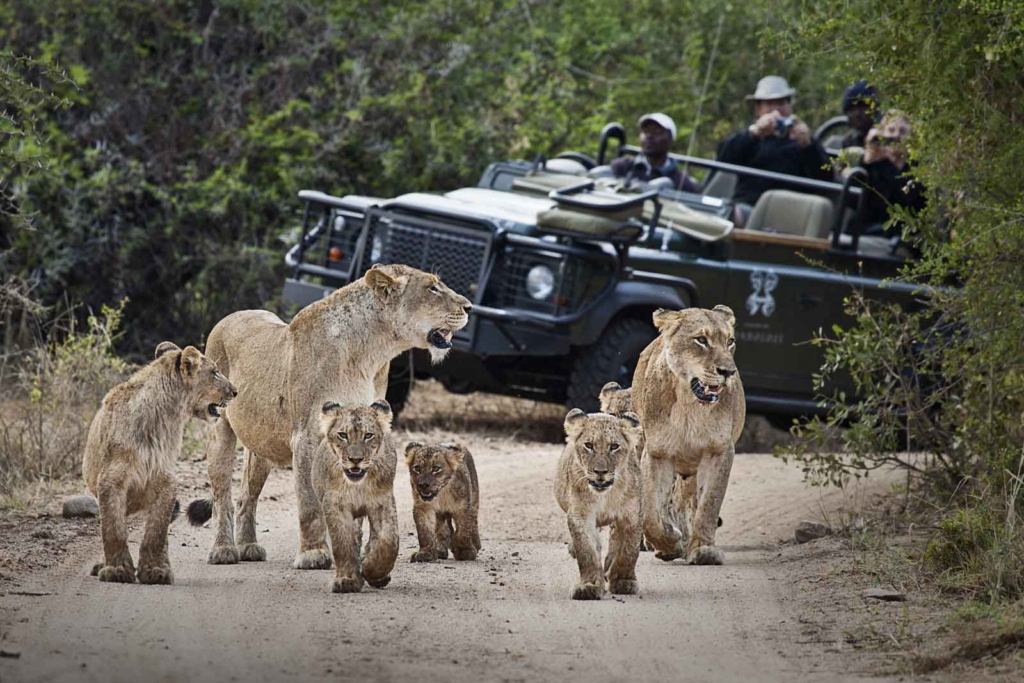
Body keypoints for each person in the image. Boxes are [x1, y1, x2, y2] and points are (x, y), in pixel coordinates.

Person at [716, 76, 831, 227]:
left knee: (731, 216)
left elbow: (826, 178)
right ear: (759, 109)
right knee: (723, 213)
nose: (776, 110)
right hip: (748, 206)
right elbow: (722, 158)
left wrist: (808, 146)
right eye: (769, 104)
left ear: (789, 106)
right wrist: (755, 132)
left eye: (781, 103)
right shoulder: (749, 138)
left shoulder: (804, 140)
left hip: (787, 212)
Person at [855, 110, 926, 237]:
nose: (896, 136)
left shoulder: (919, 169)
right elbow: (853, 200)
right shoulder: (872, 163)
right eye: (891, 131)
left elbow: (905, 198)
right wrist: (865, 162)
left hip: (900, 236)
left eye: (903, 132)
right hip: (865, 230)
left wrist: (886, 163)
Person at [610, 113, 699, 192]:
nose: (649, 136)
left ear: (671, 139)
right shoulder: (621, 167)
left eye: (657, 132)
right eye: (646, 131)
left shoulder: (681, 183)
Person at [840, 80, 879, 150]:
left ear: (874, 108)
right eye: (852, 109)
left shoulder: (888, 136)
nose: (857, 113)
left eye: (863, 106)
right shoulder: (849, 142)